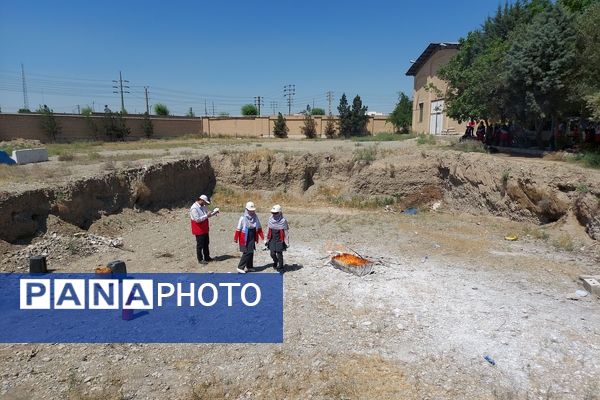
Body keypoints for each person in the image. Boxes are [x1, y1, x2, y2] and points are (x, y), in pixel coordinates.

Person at [234, 201, 264, 274]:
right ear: (246, 210)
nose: (252, 212)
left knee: (251, 251)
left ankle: (249, 266)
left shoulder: (255, 217)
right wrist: (235, 238)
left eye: (253, 210)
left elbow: (259, 226)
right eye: (250, 211)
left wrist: (262, 237)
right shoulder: (242, 218)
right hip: (244, 236)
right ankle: (240, 267)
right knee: (247, 251)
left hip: (252, 234)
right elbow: (238, 228)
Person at [190, 194, 219, 265]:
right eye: (205, 202)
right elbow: (197, 220)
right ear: (201, 200)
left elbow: (206, 215)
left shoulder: (203, 207)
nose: (205, 204)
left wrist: (213, 213)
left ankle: (207, 257)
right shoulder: (194, 208)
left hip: (204, 228)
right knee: (200, 245)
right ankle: (200, 259)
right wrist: (207, 215)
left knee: (206, 243)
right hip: (198, 229)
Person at [266, 204, 289, 271]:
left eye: (275, 213)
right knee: (272, 253)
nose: (274, 214)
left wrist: (287, 242)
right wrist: (266, 239)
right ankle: (275, 261)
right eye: (273, 213)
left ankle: (281, 266)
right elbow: (268, 229)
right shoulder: (270, 219)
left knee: (279, 253)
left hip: (280, 239)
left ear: (279, 213)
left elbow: (286, 232)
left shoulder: (283, 221)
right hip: (272, 238)